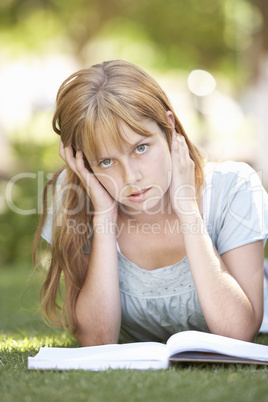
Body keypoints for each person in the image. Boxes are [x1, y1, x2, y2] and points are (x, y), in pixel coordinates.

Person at [33, 59, 268, 347]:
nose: (130, 177)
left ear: (168, 127)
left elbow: (237, 333)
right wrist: (104, 218)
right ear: (84, 162)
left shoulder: (233, 187)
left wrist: (188, 211)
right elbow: (98, 341)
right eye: (106, 161)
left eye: (140, 148)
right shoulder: (74, 198)